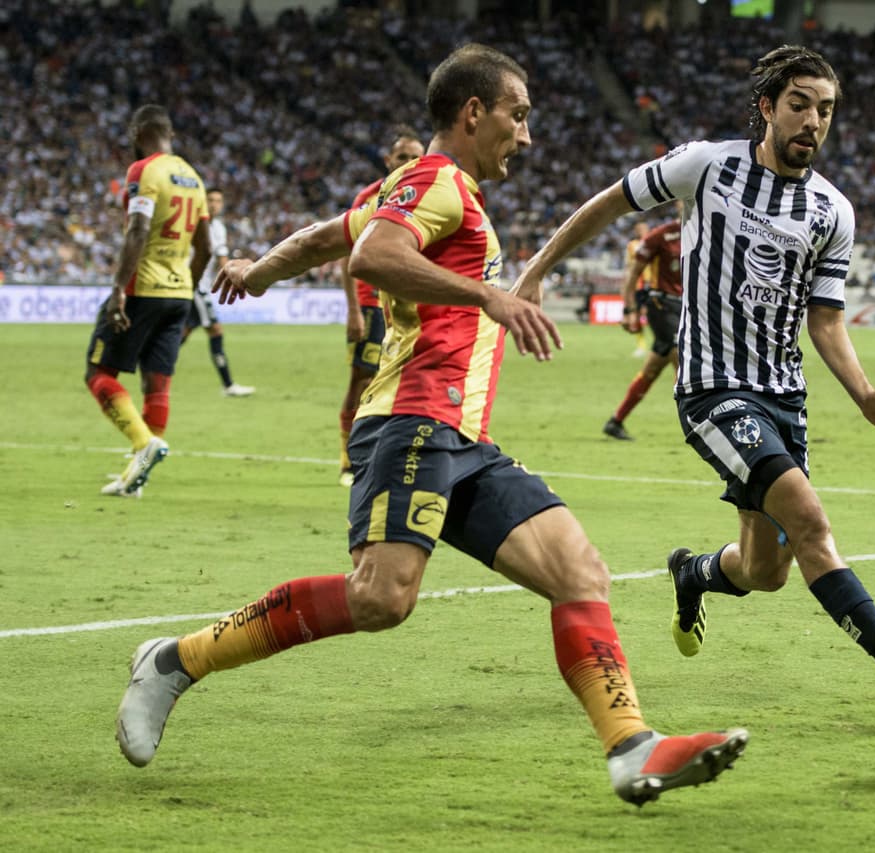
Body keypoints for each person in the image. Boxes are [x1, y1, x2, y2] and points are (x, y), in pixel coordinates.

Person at [114, 44, 748, 807]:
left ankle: (630, 746)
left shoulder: (426, 189)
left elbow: (330, 237)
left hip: (463, 438)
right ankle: (175, 661)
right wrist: (490, 298)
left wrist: (257, 272)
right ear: (473, 113)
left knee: (580, 572)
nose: (527, 135)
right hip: (410, 419)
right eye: (518, 115)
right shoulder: (438, 180)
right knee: (382, 598)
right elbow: (373, 255)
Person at [513, 45, 875, 697]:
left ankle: (692, 573)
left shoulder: (834, 213)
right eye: (799, 105)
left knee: (765, 569)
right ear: (768, 107)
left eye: (825, 110)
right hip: (713, 391)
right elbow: (611, 202)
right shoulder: (707, 167)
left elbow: (825, 320)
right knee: (809, 519)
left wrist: (863, 394)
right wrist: (535, 270)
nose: (812, 122)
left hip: (784, 399)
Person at [89, 105, 211, 498]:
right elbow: (205, 247)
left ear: (139, 131)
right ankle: (134, 479)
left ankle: (144, 444)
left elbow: (138, 229)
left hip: (144, 288)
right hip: (178, 293)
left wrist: (118, 290)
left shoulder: (145, 170)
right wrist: (185, 287)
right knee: (156, 383)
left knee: (98, 372)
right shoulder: (193, 178)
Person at [337, 125, 426, 487]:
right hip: (371, 304)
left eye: (414, 157)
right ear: (388, 160)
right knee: (362, 379)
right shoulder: (371, 197)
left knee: (402, 382)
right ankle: (348, 459)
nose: (408, 162)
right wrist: (354, 310)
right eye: (402, 157)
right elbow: (347, 254)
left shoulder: (427, 196)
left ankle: (388, 456)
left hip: (409, 306)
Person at [603, 213, 682, 441]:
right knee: (684, 359)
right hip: (661, 304)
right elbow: (632, 273)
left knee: (653, 368)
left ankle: (616, 420)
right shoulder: (660, 236)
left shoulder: (704, 231)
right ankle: (698, 425)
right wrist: (629, 310)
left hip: (685, 307)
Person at [181, 187, 255, 397]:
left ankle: (155, 367)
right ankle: (228, 385)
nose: (214, 204)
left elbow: (222, 259)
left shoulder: (219, 228)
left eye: (218, 201)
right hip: (193, 285)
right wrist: (236, 277)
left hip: (199, 286)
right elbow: (222, 261)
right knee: (215, 330)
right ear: (203, 202)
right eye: (210, 200)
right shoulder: (194, 223)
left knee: (183, 331)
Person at [624, 221, 656, 358]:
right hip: (638, 285)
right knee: (636, 316)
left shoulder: (655, 241)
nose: (640, 231)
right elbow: (629, 265)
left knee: (654, 315)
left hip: (653, 283)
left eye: (642, 228)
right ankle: (641, 346)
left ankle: (659, 343)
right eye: (638, 229)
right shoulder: (632, 245)